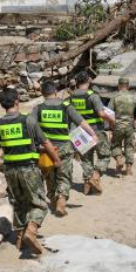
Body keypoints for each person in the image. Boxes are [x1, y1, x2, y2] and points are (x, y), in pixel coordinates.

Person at [0, 88, 60, 257]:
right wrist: (56, 159)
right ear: (17, 101)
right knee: (40, 204)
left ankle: (19, 239)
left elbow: (5, 146)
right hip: (28, 168)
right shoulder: (28, 120)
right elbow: (45, 143)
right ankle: (31, 231)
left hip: (10, 170)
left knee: (19, 203)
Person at [32, 80, 93, 216]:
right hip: (64, 147)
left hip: (46, 149)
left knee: (50, 177)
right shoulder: (66, 106)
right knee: (64, 177)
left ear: (42, 93)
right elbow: (81, 121)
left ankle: (53, 200)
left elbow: (30, 128)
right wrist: (92, 134)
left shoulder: (38, 108)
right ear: (55, 91)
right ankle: (61, 201)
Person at [69, 70, 114, 195]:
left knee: (86, 159)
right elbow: (101, 113)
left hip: (80, 132)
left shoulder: (71, 97)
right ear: (88, 81)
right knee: (105, 155)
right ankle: (95, 176)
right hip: (96, 130)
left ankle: (87, 186)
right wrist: (112, 121)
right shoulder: (92, 95)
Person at [108, 77, 136, 176]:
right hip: (130, 125)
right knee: (129, 146)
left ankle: (119, 159)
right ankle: (128, 169)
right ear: (128, 86)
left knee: (115, 144)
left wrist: (111, 124)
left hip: (118, 125)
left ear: (119, 85)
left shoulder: (115, 97)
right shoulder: (133, 96)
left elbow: (108, 112)